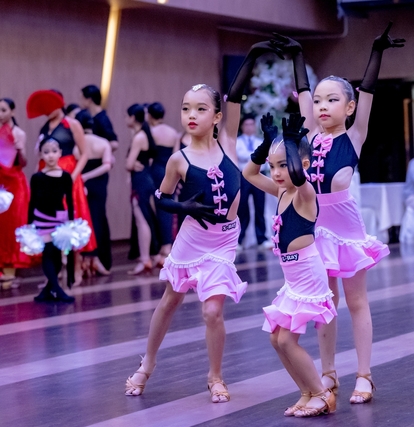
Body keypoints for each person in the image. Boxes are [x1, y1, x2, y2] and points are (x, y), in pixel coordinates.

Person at [124, 39, 281, 403]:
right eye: (185, 108)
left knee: (212, 310)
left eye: (200, 108)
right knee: (170, 301)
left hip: (224, 240)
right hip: (192, 238)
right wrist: (184, 207)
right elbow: (161, 198)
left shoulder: (228, 143)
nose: (191, 115)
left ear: (217, 116)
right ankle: (147, 364)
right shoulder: (178, 159)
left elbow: (235, 96)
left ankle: (215, 376)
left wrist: (252, 56)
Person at [271, 23, 404, 403]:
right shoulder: (308, 135)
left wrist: (376, 52)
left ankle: (364, 375)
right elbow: (302, 92)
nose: (322, 106)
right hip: (314, 231)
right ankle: (327, 373)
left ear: (348, 107)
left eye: (332, 100)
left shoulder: (353, 136)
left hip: (345, 231)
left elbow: (369, 91)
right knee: (323, 304)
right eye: (319, 101)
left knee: (357, 302)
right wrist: (298, 55)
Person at [244, 113, 337, 417]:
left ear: (301, 164)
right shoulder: (282, 191)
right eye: (272, 166)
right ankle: (307, 391)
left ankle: (322, 394)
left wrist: (294, 143)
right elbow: (249, 173)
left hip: (308, 274)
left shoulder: (305, 194)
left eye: (283, 165)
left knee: (286, 338)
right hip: (292, 277)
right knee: (276, 338)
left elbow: (299, 177)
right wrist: (267, 144)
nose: (276, 172)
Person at [27, 89, 97, 287]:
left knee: (71, 222)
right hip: (47, 176)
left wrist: (73, 177)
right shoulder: (44, 127)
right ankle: (53, 273)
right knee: (49, 222)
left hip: (68, 175)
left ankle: (76, 269)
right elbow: (39, 155)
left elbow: (84, 154)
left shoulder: (72, 124)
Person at [30, 137, 75, 303]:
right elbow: (32, 201)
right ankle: (58, 290)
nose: (50, 155)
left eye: (54, 151)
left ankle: (47, 291)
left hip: (60, 219)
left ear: (60, 153)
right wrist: (28, 224)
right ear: (41, 155)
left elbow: (69, 200)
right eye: (46, 152)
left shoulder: (66, 176)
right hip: (42, 219)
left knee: (57, 256)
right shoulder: (37, 177)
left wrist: (71, 222)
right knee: (48, 253)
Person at [0, 98, 32, 288]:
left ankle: (11, 269)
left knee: (14, 224)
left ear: (12, 112)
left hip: (15, 181)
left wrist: (19, 151)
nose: (0, 114)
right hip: (0, 180)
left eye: (3, 110)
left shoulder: (19, 133)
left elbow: (24, 162)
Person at [76, 110, 113, 274]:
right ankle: (96, 259)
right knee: (98, 219)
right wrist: (89, 176)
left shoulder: (77, 144)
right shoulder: (102, 142)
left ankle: (84, 260)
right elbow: (107, 165)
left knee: (84, 220)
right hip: (99, 184)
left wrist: (83, 177)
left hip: (81, 184)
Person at [125, 104, 160, 274]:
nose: (125, 119)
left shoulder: (139, 137)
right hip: (144, 179)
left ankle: (145, 258)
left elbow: (128, 164)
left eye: (127, 116)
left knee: (142, 221)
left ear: (133, 117)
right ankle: (148, 256)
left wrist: (132, 165)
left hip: (140, 181)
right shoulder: (142, 134)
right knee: (144, 219)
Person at [147, 102, 180, 261]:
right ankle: (167, 244)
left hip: (156, 170)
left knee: (158, 207)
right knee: (168, 206)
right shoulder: (173, 132)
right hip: (170, 170)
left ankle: (164, 245)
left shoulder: (151, 132)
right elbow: (176, 154)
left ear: (149, 115)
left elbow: (149, 156)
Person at [236, 114, 270, 250]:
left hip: (259, 175)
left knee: (260, 208)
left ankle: (262, 239)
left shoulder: (261, 142)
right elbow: (240, 155)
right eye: (246, 124)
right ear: (242, 126)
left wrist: (253, 157)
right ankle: (239, 240)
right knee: (242, 208)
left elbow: (265, 158)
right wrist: (257, 156)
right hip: (243, 177)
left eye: (251, 124)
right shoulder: (237, 142)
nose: (249, 127)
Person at [80, 85, 118, 151]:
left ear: (89, 100)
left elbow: (114, 143)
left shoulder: (102, 119)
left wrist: (98, 151)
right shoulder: (89, 117)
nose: (81, 101)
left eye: (82, 98)